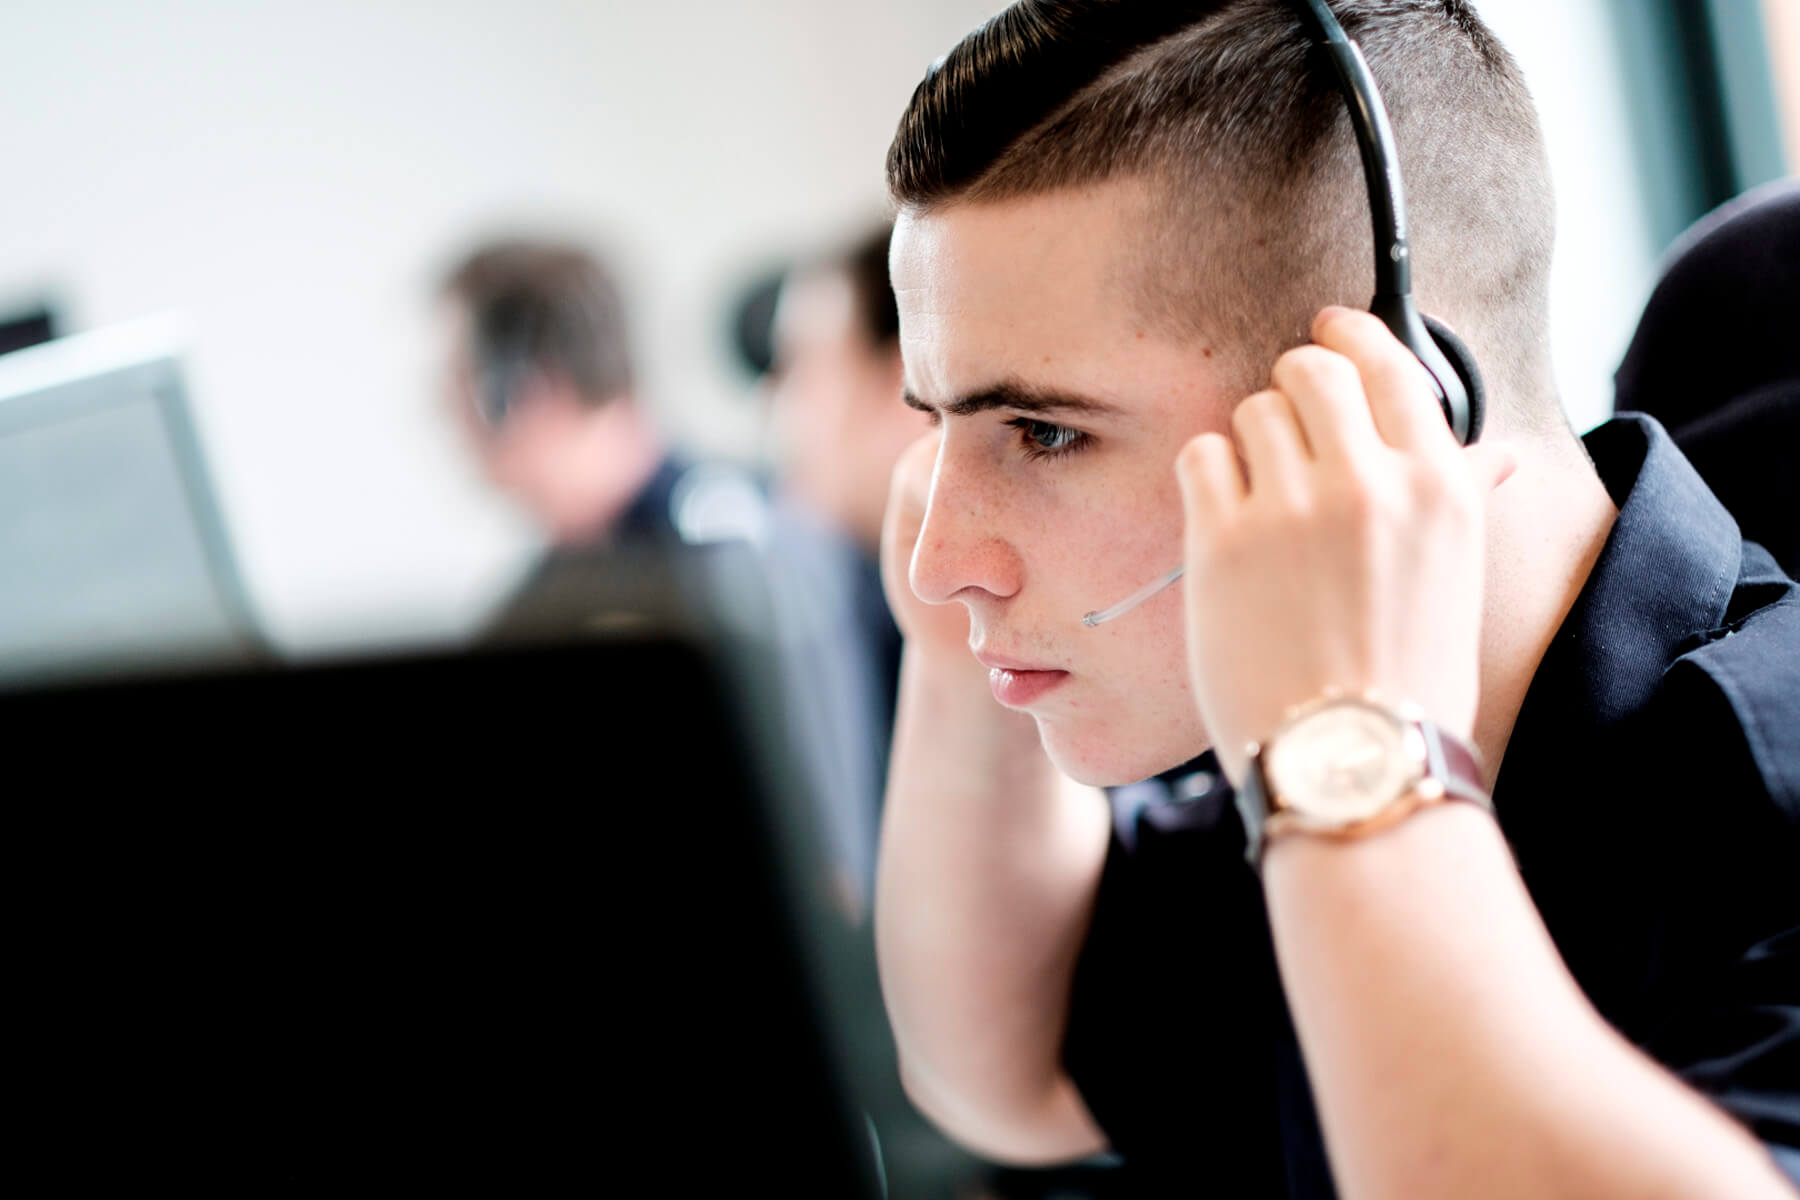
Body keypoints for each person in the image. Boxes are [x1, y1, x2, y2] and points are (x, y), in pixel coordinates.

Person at [872, 2, 1799, 1197]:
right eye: (936, 423)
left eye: (1045, 430)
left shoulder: (1764, 788)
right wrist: (966, 656)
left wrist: (1355, 761)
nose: (934, 561)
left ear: (1395, 401)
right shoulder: (1277, 749)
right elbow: (1013, 1078)